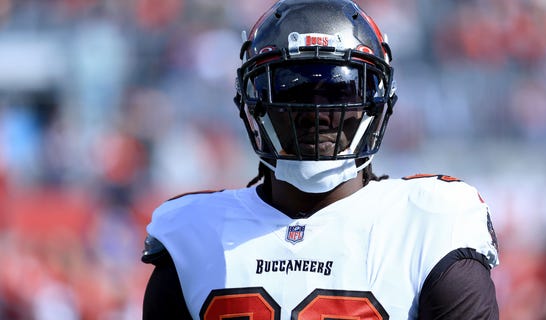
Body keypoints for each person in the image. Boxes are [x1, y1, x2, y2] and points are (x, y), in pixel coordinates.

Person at [141, 0, 500, 319]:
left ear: (374, 103)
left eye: (339, 89)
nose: (317, 111)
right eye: (292, 88)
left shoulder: (428, 225)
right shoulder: (193, 237)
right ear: (256, 101)